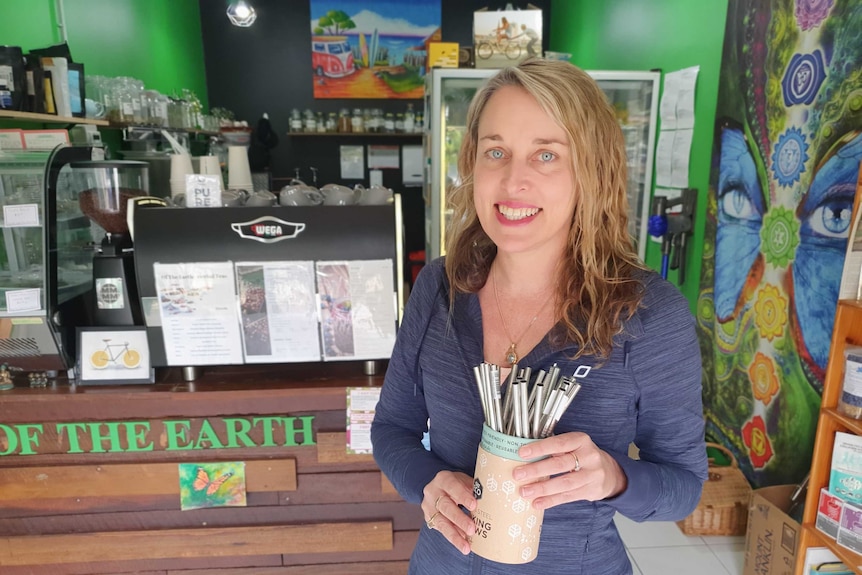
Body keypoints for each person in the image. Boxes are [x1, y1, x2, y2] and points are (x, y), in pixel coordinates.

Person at [371, 58, 707, 575]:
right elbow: (392, 428)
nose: (512, 180)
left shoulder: (647, 314)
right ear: (473, 164)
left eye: (546, 155)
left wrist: (613, 477)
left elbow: (683, 486)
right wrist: (426, 482)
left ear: (591, 171)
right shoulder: (440, 286)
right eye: (496, 151)